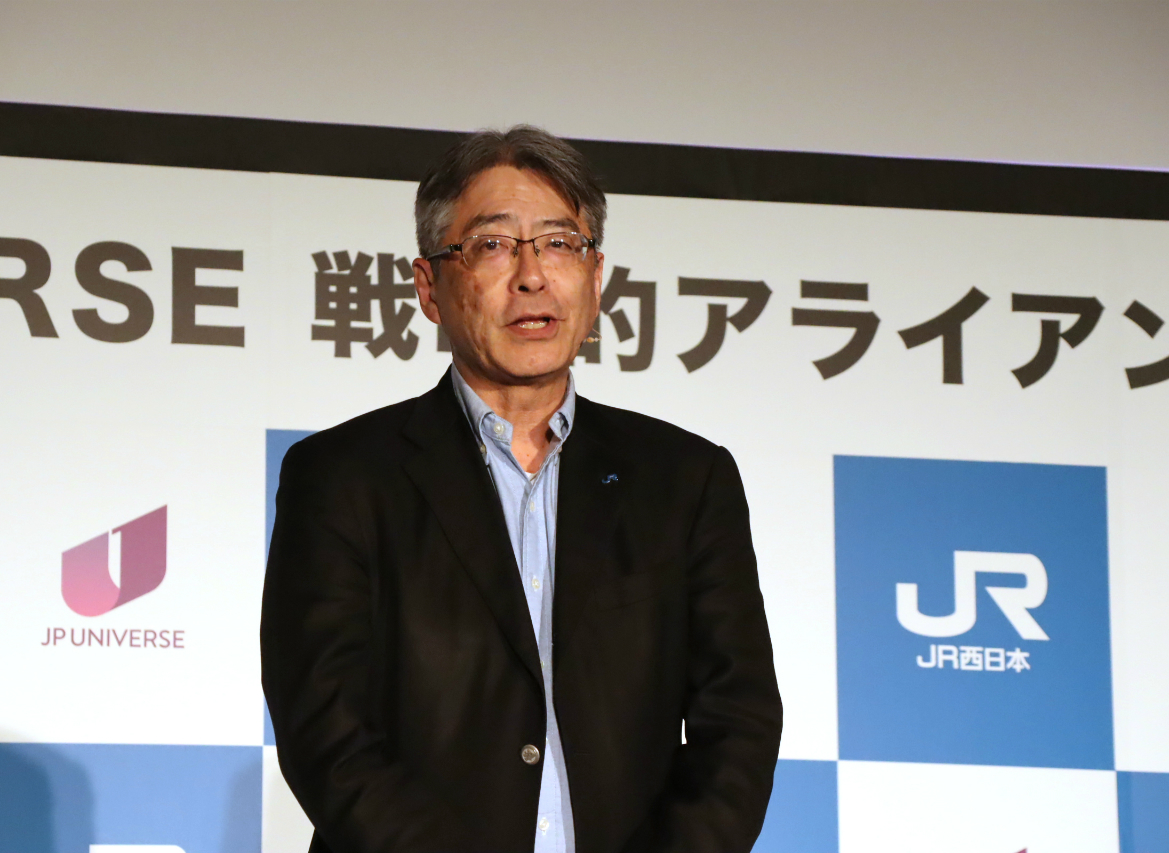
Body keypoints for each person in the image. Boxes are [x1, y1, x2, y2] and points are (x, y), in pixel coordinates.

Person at [261, 126, 782, 853]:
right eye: (494, 245)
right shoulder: (342, 476)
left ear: (596, 277)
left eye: (560, 243)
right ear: (429, 287)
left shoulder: (687, 479)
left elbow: (740, 722)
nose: (532, 275)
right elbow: (325, 729)